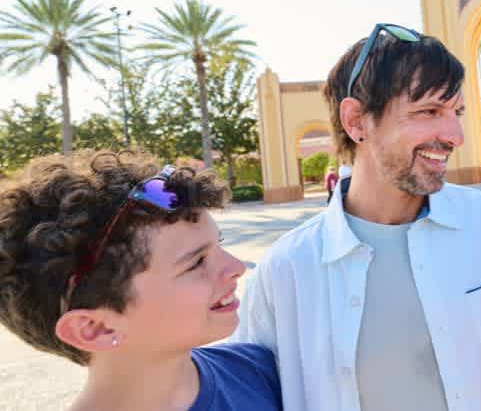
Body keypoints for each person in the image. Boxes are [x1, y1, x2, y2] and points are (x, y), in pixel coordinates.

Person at [234, 23, 481, 411]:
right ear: (356, 122)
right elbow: (241, 393)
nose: (455, 134)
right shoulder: (288, 270)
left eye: (457, 112)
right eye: (428, 111)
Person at [0, 150, 282, 411]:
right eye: (196, 262)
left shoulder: (263, 374)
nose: (235, 267)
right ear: (95, 328)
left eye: (217, 244)